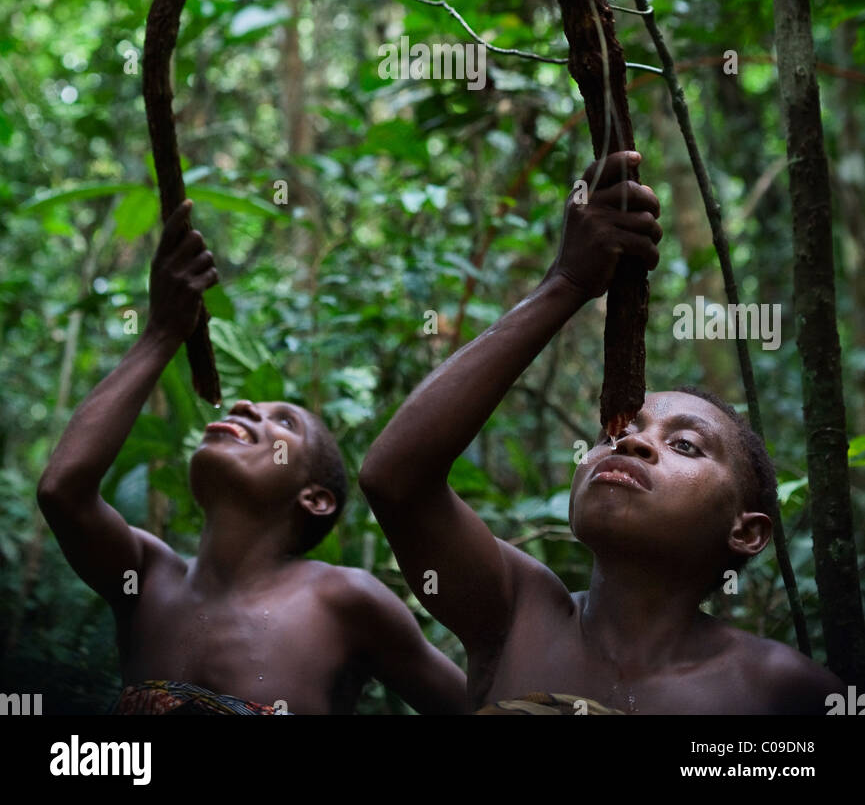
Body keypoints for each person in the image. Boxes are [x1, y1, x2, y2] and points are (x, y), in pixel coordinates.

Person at [360, 151, 844, 715]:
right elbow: (395, 480)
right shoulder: (515, 613)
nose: (632, 443)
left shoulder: (784, 691)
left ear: (747, 532)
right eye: (617, 431)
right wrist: (564, 283)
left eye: (685, 445)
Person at [38, 201, 465, 716]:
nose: (245, 407)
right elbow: (62, 491)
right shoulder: (146, 577)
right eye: (251, 407)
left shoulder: (347, 600)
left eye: (284, 423)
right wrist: (160, 333)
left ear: (316, 498)